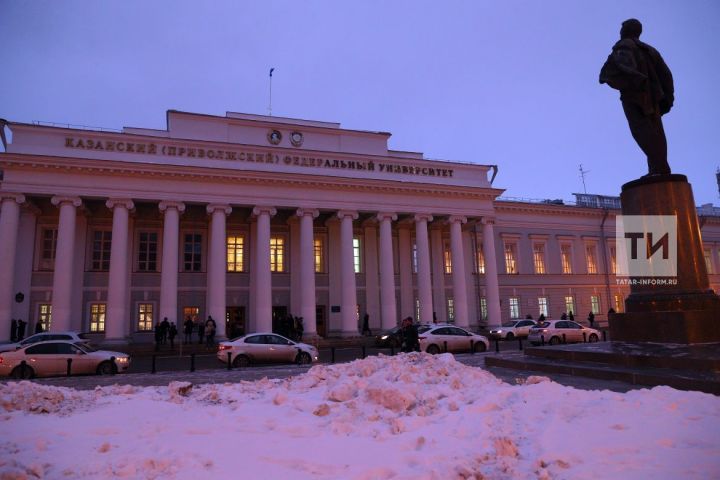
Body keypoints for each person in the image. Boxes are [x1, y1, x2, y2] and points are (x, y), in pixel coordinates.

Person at [600, 18, 674, 176]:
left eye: (622, 29)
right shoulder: (651, 50)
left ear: (627, 30)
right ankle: (658, 168)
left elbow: (622, 66)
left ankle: (659, 168)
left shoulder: (624, 45)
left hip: (634, 95)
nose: (619, 32)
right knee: (656, 132)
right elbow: (666, 75)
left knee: (641, 131)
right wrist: (667, 97)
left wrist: (636, 81)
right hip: (653, 98)